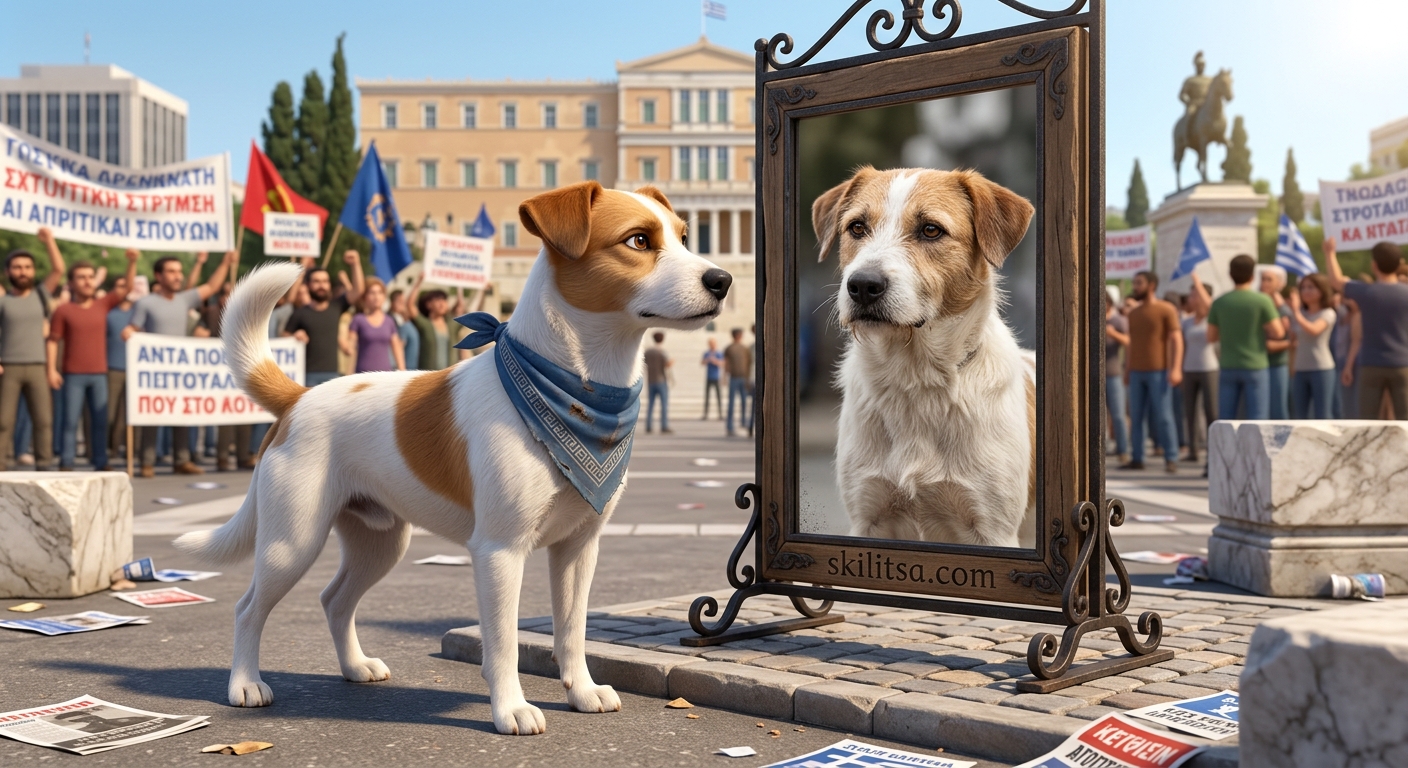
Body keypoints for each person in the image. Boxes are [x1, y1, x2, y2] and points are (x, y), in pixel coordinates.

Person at [124, 251, 236, 477]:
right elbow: (133, 329)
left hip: (180, 369)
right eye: (172, 272)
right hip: (154, 370)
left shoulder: (184, 299)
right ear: (158, 275)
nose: (178, 276)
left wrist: (225, 263)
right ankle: (146, 461)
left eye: (179, 272)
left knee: (181, 411)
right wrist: (128, 332)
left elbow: (212, 286)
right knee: (151, 414)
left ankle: (182, 460)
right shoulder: (146, 303)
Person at [46, 250, 138, 470]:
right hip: (73, 374)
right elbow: (52, 340)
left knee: (100, 420)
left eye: (90, 276)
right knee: (69, 421)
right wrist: (51, 369)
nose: (87, 281)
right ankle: (66, 461)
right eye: (81, 277)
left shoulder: (102, 305)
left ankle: (100, 460)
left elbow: (126, 289)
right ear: (71, 282)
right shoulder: (63, 310)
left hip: (99, 373)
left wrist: (132, 262)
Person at [0, 227, 67, 470]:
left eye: (27, 267)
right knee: (4, 422)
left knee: (43, 421)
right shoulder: (3, 302)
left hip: (38, 367)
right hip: (8, 368)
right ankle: (2, 465)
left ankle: (44, 465)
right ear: (8, 272)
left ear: (33, 271)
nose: (22, 271)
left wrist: (49, 241)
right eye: (17, 267)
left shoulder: (40, 295)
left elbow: (59, 269)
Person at [1325, 239, 1408, 420]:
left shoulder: (1366, 292)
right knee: (1405, 419)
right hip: (1403, 364)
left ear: (1374, 265)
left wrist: (1330, 253)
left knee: (1368, 420)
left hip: (1371, 364)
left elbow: (1336, 281)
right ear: (1399, 265)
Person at [1207, 254, 1285, 420]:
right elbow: (1278, 332)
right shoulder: (1262, 301)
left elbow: (1211, 337)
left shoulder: (1219, 302)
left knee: (1226, 419)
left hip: (1228, 364)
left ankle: (1226, 447)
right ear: (1252, 276)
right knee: (1258, 418)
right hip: (1255, 365)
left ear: (1230, 275)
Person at [1121, 271, 1182, 473]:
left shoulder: (1166, 309)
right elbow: (1131, 344)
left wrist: (1175, 368)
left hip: (1159, 371)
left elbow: (1176, 339)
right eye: (1134, 283)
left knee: (1164, 416)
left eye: (1139, 283)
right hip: (1137, 372)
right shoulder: (1134, 314)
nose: (1135, 287)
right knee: (1136, 417)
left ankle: (1171, 457)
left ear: (1152, 285)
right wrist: (1128, 369)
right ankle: (1137, 457)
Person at [283, 251, 364, 386]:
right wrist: (295, 336)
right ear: (308, 285)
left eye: (325, 281)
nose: (322, 285)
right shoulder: (300, 313)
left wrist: (355, 264)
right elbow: (284, 335)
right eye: (317, 281)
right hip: (307, 375)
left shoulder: (337, 306)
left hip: (332, 375)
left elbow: (358, 291)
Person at [1287, 273, 1338, 419]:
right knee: (1299, 415)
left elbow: (1314, 330)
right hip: (1300, 368)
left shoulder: (1328, 313)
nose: (1306, 291)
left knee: (1323, 414)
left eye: (1311, 287)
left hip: (1321, 368)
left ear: (1322, 290)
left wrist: (1296, 312)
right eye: (1303, 288)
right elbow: (1294, 340)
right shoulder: (1301, 314)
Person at [1182, 280, 1219, 464]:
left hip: (1209, 368)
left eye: (1195, 294)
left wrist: (1195, 278)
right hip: (1189, 368)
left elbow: (1211, 306)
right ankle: (1193, 450)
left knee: (1211, 411)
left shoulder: (1212, 318)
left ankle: (1213, 452)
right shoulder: (1186, 321)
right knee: (1190, 411)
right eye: (1191, 294)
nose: (1192, 298)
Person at [342, 278, 405, 373]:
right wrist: (343, 342)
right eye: (372, 293)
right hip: (363, 374)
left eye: (380, 292)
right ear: (365, 297)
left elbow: (396, 347)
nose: (376, 297)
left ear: (384, 296)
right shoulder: (358, 319)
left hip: (385, 375)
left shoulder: (389, 321)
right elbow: (350, 345)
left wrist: (402, 370)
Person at [106, 274, 137, 459]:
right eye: (119, 285)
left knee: (131, 414)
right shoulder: (109, 313)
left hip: (135, 370)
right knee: (110, 414)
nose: (123, 289)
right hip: (112, 368)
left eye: (126, 285)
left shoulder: (138, 311)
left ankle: (131, 452)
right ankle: (111, 449)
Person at [407, 273, 460, 370]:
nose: (442, 303)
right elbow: (410, 305)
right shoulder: (425, 324)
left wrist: (459, 286)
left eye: (444, 300)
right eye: (438, 300)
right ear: (428, 305)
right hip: (428, 376)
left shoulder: (451, 325)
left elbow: (462, 307)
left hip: (448, 376)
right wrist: (419, 282)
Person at [1260, 266, 1293, 419]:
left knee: (1278, 409)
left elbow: (1285, 336)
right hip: (1259, 364)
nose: (1265, 283)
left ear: (1279, 283)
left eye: (1269, 279)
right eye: (1263, 279)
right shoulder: (1258, 303)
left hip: (1277, 364)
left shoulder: (1283, 310)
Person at [1104, 294, 1130, 463]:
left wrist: (1112, 334)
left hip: (1114, 374)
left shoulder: (1118, 320)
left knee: (1118, 414)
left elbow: (1128, 341)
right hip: (1096, 376)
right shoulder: (1095, 318)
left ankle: (1123, 449)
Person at [723, 328, 751, 436]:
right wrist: (724, 376)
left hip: (743, 377)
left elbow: (749, 364)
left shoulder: (745, 348)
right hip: (734, 377)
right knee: (731, 403)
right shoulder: (729, 348)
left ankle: (743, 422)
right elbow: (726, 363)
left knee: (744, 401)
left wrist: (748, 378)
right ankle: (730, 426)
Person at [643, 331, 672, 434]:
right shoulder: (662, 351)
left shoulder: (648, 351)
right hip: (661, 380)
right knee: (663, 404)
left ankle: (649, 425)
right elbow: (666, 365)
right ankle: (664, 425)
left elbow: (644, 363)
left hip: (651, 380)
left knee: (651, 404)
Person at [389, 287, 420, 371]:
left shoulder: (406, 320)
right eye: (400, 301)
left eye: (403, 301)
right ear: (392, 302)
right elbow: (398, 346)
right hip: (399, 367)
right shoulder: (389, 319)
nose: (403, 304)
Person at [701, 337, 723, 420]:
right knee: (707, 396)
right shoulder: (707, 353)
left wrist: (715, 361)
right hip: (709, 377)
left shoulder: (718, 353)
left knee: (718, 396)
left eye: (713, 344)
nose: (712, 345)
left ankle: (720, 414)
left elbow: (722, 363)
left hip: (716, 377)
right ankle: (705, 414)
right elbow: (702, 362)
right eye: (711, 344)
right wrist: (707, 360)